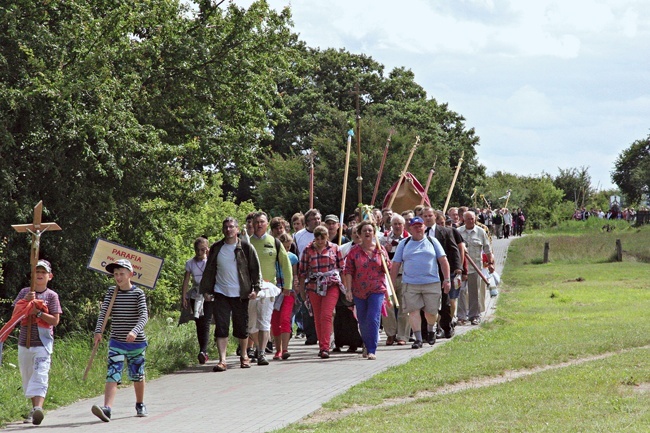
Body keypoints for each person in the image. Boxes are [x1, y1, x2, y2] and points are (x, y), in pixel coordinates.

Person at [199, 217, 261, 371]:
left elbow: (254, 269)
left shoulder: (246, 247)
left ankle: (244, 356)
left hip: (241, 293)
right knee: (221, 326)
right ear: (222, 229)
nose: (228, 229)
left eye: (231, 227)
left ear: (237, 229)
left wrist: (256, 289)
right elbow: (209, 270)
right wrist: (206, 291)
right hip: (221, 293)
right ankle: (222, 360)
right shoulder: (216, 248)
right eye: (226, 227)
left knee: (242, 327)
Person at [91, 259, 149, 422]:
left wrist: (134, 331)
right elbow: (104, 313)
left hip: (136, 343)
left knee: (137, 375)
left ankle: (140, 403)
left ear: (130, 274)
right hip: (116, 341)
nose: (118, 277)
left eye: (121, 274)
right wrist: (98, 331)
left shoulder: (138, 293)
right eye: (115, 274)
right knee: (113, 373)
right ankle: (107, 409)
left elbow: (144, 316)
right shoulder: (112, 292)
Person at [11, 260, 61, 425]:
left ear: (50, 276)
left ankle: (38, 408)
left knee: (40, 373)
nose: (39, 275)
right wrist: (25, 302)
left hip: (42, 343)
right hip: (24, 342)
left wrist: (38, 313)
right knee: (28, 376)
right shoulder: (25, 292)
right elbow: (15, 316)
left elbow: (55, 320)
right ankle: (34, 410)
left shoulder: (51, 296)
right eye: (36, 272)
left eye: (43, 272)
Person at [390, 217, 451, 349]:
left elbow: (443, 261)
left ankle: (431, 330)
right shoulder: (404, 244)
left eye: (420, 226)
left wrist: (447, 279)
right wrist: (392, 282)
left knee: (431, 312)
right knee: (413, 311)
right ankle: (418, 339)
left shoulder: (432, 241)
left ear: (424, 227)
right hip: (410, 283)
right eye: (415, 226)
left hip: (432, 282)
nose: (418, 229)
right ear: (410, 229)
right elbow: (396, 264)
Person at [248, 211, 293, 365]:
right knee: (251, 324)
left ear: (267, 224)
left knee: (265, 321)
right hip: (250, 290)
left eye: (262, 222)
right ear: (252, 224)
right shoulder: (246, 243)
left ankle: (261, 353)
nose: (259, 225)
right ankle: (256, 345)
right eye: (256, 222)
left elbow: (286, 264)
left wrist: (288, 285)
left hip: (268, 288)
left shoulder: (274, 242)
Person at [343, 221, 391, 360]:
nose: (368, 233)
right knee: (362, 320)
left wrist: (384, 258)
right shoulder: (354, 252)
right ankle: (366, 342)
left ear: (374, 233)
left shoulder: (380, 249)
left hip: (377, 289)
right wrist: (348, 290)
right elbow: (348, 271)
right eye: (364, 231)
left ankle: (372, 349)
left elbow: (387, 269)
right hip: (359, 290)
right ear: (359, 234)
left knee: (373, 318)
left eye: (370, 230)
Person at [297, 225, 346, 359]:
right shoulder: (308, 250)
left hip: (331, 284)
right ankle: (322, 345)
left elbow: (343, 268)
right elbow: (302, 272)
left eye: (322, 237)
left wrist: (347, 288)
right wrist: (302, 290)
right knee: (317, 316)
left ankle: (325, 346)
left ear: (327, 237)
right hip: (314, 285)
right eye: (317, 237)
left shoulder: (335, 248)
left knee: (326, 315)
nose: (320, 240)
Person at [378, 214, 411, 345]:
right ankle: (390, 333)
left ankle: (403, 335)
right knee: (388, 306)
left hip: (404, 276)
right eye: (395, 224)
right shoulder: (383, 238)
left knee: (404, 307)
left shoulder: (409, 239)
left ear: (403, 225)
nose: (397, 226)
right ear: (391, 225)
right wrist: (384, 251)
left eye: (399, 224)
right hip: (387, 277)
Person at [457, 211, 493, 326]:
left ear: (475, 219)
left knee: (474, 292)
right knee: (461, 291)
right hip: (462, 268)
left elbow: (487, 249)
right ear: (463, 219)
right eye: (467, 219)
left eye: (472, 218)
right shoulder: (458, 232)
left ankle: (474, 316)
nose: (470, 221)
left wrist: (491, 263)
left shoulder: (481, 232)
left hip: (475, 267)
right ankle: (461, 316)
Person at [180, 237, 210, 364]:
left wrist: (209, 256)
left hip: (209, 294)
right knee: (199, 321)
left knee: (207, 321)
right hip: (196, 294)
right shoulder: (190, 263)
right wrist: (183, 296)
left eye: (203, 249)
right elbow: (186, 280)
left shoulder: (210, 261)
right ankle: (202, 350)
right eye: (198, 250)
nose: (200, 252)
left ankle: (205, 350)